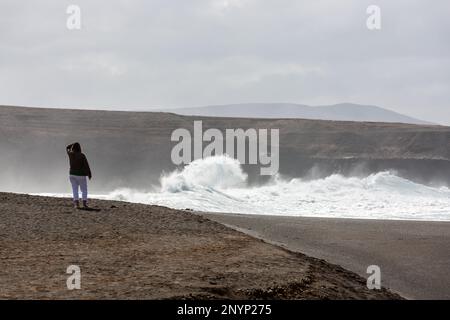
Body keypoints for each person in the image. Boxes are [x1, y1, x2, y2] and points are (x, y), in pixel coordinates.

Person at [66, 142, 92, 209]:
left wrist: (72, 145)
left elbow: (67, 148)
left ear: (73, 148)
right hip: (81, 175)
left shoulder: (70, 154)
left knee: (75, 189)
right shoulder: (82, 155)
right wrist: (89, 173)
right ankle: (84, 204)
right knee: (84, 190)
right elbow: (86, 165)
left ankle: (76, 204)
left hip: (72, 174)